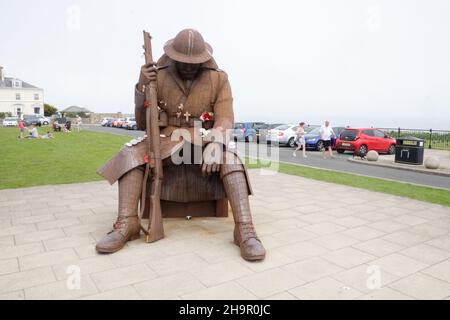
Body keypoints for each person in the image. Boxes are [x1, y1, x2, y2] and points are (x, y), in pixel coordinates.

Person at [95, 29, 266, 261]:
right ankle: (127, 223)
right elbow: (142, 123)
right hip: (165, 137)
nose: (188, 66)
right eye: (183, 61)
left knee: (231, 160)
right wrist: (141, 87)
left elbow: (225, 118)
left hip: (203, 136)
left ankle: (244, 230)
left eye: (193, 62)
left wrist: (216, 142)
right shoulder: (158, 75)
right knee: (129, 155)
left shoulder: (219, 78)